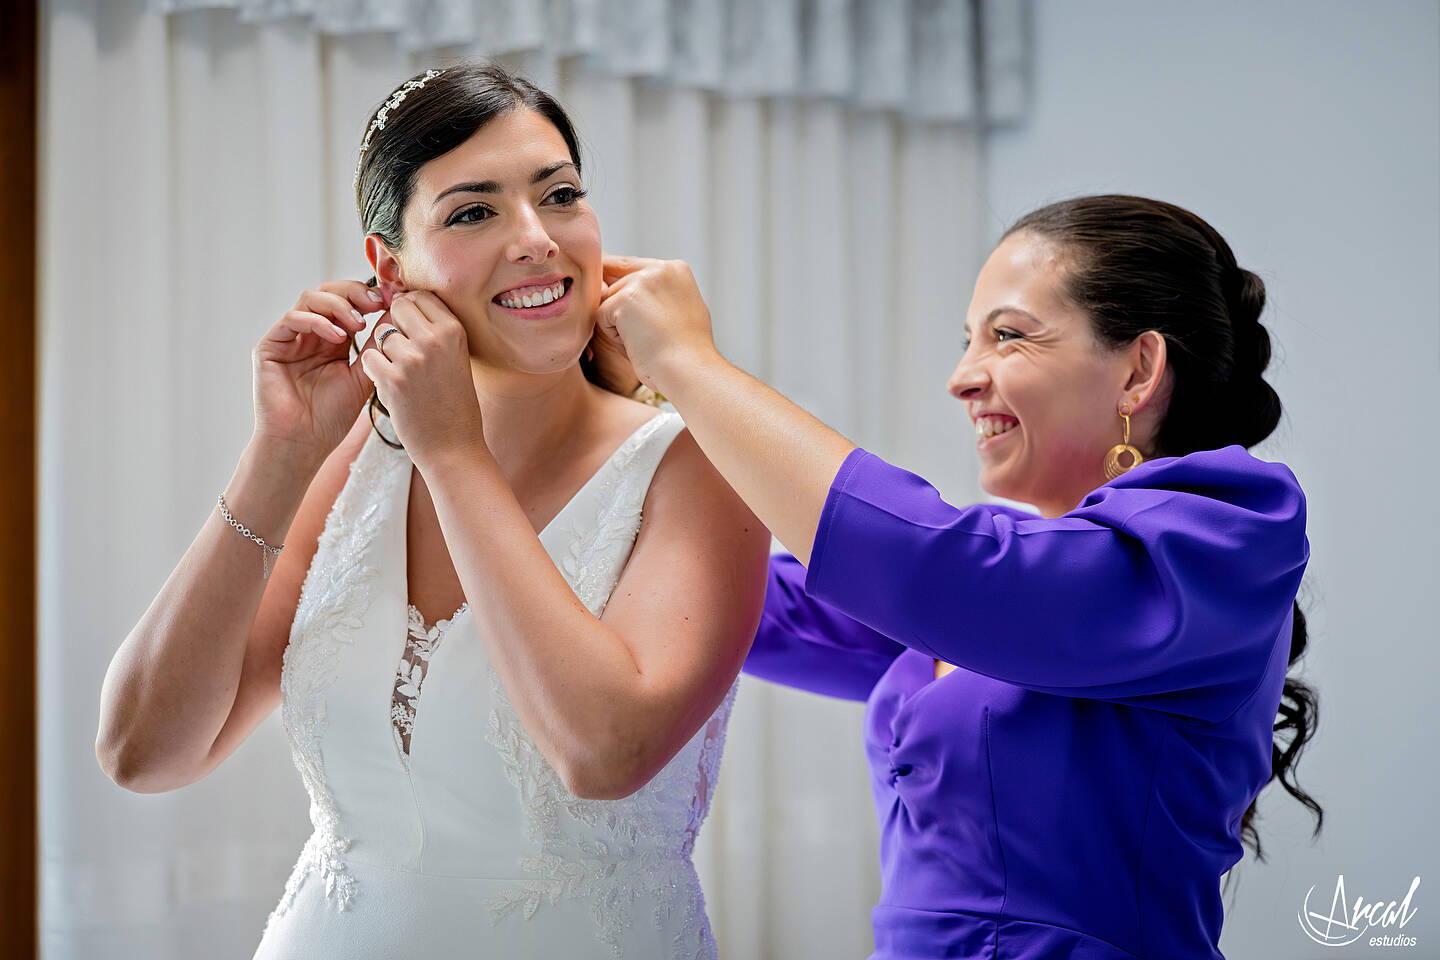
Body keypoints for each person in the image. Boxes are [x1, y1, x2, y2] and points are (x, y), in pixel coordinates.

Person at [95, 63, 769, 960]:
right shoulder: (356, 469)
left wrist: (453, 454)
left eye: (559, 194)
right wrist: (281, 456)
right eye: (473, 211)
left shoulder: (697, 467)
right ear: (389, 268)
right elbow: (143, 753)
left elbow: (606, 752)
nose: (535, 239)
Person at [596, 194, 1323, 959]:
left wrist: (687, 364)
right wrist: (622, 410)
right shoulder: (1017, 579)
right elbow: (744, 604)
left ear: (1138, 370)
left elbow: (928, 565)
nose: (961, 378)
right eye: (968, 340)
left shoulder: (1227, 532)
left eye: (1007, 336)